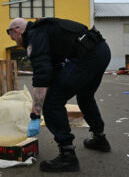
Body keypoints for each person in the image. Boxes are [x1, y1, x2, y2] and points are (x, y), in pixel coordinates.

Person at [7, 18, 111, 172]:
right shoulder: (44, 31)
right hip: (101, 50)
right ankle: (100, 138)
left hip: (87, 56)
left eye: (13, 38)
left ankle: (67, 156)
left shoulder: (34, 36)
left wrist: (35, 116)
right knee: (85, 96)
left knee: (51, 103)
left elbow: (42, 75)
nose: (15, 42)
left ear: (17, 31)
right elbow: (53, 71)